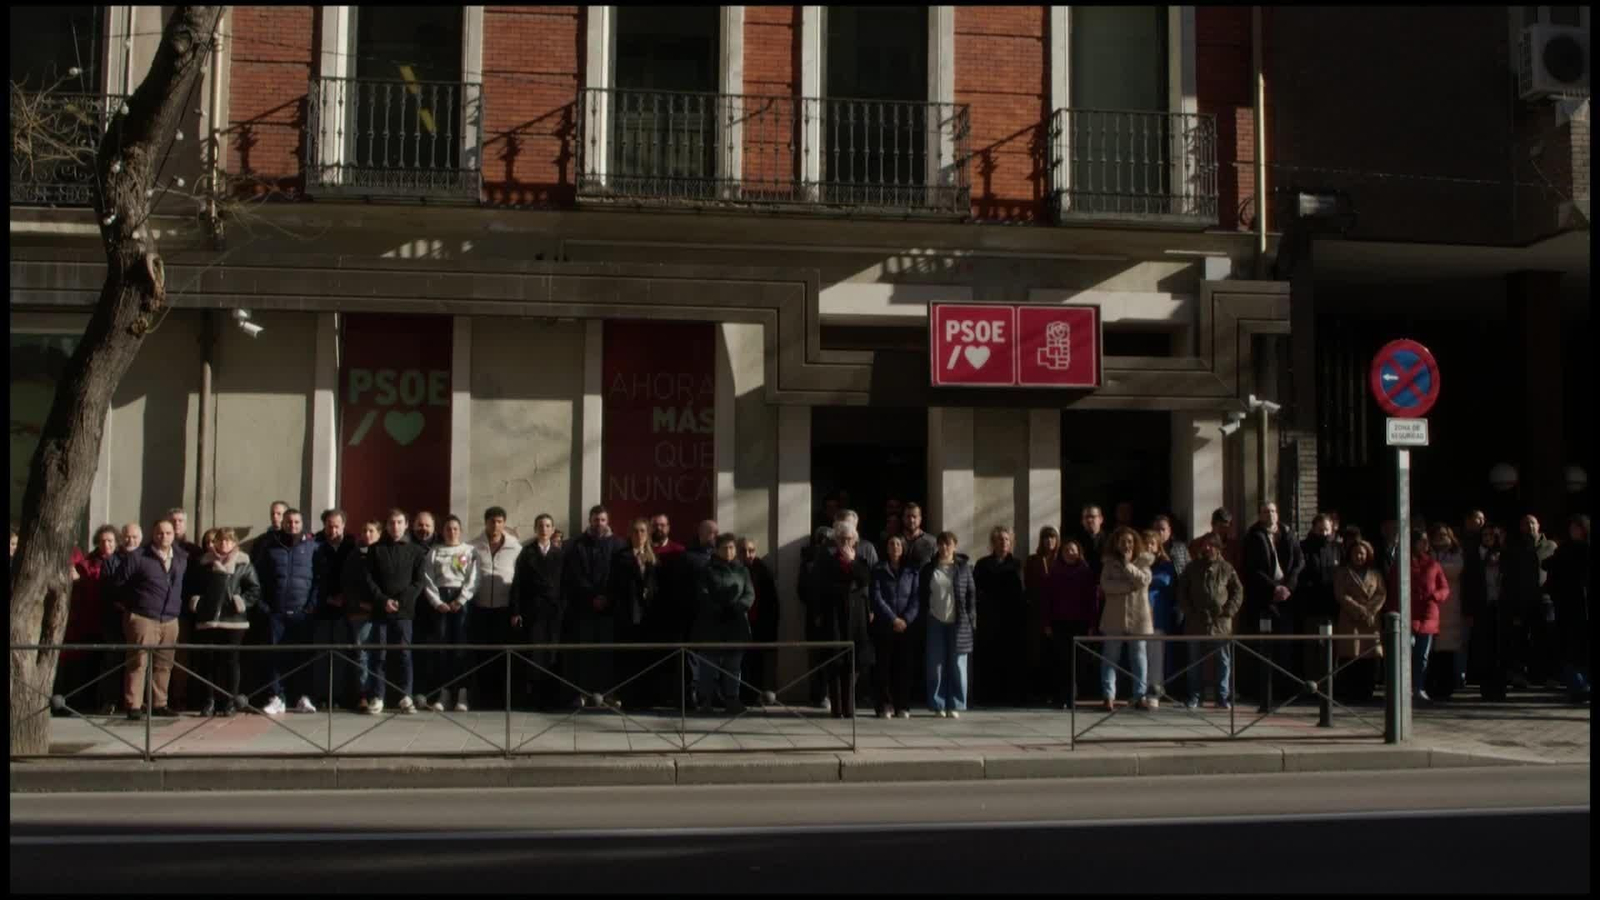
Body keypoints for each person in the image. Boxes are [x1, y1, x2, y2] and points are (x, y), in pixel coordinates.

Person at [116, 517, 188, 719]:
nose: (164, 536)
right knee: (138, 662)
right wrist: (132, 605)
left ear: (174, 535)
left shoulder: (181, 557)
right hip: (143, 617)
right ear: (153, 534)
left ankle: (159, 703)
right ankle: (134, 705)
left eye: (168, 533)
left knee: (164, 663)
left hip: (170, 619)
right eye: (160, 533)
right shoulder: (138, 556)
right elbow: (119, 583)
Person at [187, 528, 261, 717]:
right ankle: (209, 701)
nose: (224, 544)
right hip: (209, 620)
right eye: (221, 540)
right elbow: (192, 586)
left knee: (231, 662)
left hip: (234, 621)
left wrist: (240, 602)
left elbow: (254, 589)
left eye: (228, 541)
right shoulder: (204, 563)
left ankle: (230, 701)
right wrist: (197, 603)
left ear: (235, 543)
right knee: (208, 662)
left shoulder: (244, 563)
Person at [362, 509, 429, 715]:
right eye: (392, 523)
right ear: (387, 525)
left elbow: (418, 582)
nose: (395, 527)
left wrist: (400, 602)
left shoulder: (416, 551)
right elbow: (369, 580)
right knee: (379, 654)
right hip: (381, 611)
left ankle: (405, 696)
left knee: (404, 654)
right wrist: (383, 601)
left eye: (399, 522)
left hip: (404, 612)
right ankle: (378, 697)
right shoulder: (375, 550)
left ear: (406, 524)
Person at [255, 508, 320, 716]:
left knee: (303, 656)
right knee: (275, 657)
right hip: (276, 613)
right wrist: (265, 608)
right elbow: (258, 580)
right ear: (283, 523)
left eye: (296, 522)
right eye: (289, 522)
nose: (292, 526)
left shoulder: (313, 548)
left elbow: (319, 580)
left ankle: (303, 697)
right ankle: (277, 697)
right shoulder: (270, 548)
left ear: (302, 524)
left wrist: (311, 607)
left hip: (303, 614)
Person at [1241, 502, 1305, 709]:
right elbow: (1252, 568)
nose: (1270, 514)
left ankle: (1283, 689)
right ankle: (1262, 691)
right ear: (1260, 515)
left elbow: (1299, 562)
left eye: (1273, 511)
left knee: (1285, 646)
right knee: (1264, 645)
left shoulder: (1288, 534)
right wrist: (1274, 589)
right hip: (1264, 599)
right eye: (1266, 511)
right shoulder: (1253, 536)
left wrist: (1288, 587)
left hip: (1287, 598)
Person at [562, 505, 625, 708]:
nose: (599, 524)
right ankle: (583, 693)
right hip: (584, 607)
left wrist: (607, 597)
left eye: (603, 520)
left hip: (609, 608)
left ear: (608, 522)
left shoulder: (618, 545)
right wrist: (591, 597)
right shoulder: (577, 545)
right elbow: (574, 575)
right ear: (590, 521)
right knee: (585, 652)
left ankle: (608, 693)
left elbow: (618, 576)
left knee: (608, 653)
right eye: (596, 520)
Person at [56, 525, 120, 714]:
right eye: (102, 541)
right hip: (88, 621)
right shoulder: (86, 563)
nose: (106, 545)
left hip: (113, 620)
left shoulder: (124, 560)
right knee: (86, 664)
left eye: (110, 541)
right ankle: (82, 703)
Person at [1177, 534, 1245, 708]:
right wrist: (1189, 611)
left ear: (1218, 547)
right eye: (1204, 545)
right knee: (1194, 661)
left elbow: (1238, 591)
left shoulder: (1227, 568)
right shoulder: (1192, 567)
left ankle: (1222, 696)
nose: (1207, 548)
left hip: (1220, 623)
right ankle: (1194, 696)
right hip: (1196, 621)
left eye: (1211, 545)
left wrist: (1228, 611)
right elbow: (1182, 592)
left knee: (1223, 660)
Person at [691, 533, 756, 713]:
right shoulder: (707, 570)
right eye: (725, 548)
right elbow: (702, 593)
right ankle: (705, 700)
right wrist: (716, 608)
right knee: (708, 666)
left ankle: (732, 698)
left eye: (731, 548)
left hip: (736, 624)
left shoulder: (742, 571)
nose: (728, 551)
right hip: (712, 625)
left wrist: (738, 607)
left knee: (733, 666)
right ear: (717, 550)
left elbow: (749, 594)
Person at [813, 526, 874, 718]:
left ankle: (849, 707)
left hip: (856, 617)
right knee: (835, 659)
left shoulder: (861, 560)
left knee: (853, 661)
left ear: (855, 541)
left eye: (849, 539)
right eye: (842, 539)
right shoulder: (827, 561)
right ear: (837, 542)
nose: (846, 543)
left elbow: (865, 580)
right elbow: (820, 587)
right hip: (834, 614)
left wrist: (852, 562)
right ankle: (837, 708)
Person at [422, 515, 479, 712]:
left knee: (461, 646)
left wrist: (460, 600)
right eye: (448, 528)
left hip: (461, 600)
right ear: (443, 531)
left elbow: (474, 578)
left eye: (455, 528)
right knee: (443, 647)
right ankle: (444, 694)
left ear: (460, 531)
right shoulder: (434, 551)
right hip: (441, 600)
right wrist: (437, 602)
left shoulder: (469, 551)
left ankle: (462, 694)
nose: (451, 532)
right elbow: (427, 578)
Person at [469, 506, 521, 712]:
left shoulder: (515, 548)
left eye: (499, 521)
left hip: (504, 609)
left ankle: (502, 699)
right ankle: (482, 698)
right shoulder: (473, 547)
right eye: (492, 521)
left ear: (504, 523)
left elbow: (519, 579)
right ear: (486, 523)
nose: (495, 525)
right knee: (482, 655)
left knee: (502, 654)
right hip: (480, 608)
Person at [511, 513, 565, 710]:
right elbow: (517, 584)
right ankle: (533, 698)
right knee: (534, 653)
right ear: (535, 529)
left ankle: (552, 698)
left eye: (548, 525)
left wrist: (563, 607)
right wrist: (516, 611)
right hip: (533, 611)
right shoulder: (526, 553)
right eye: (540, 526)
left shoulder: (560, 554)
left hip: (554, 611)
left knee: (552, 653)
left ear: (552, 529)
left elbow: (566, 583)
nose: (544, 529)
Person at [919, 531, 976, 719]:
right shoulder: (929, 568)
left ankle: (956, 704)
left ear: (955, 546)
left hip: (959, 622)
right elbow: (922, 593)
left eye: (948, 544)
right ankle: (938, 704)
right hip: (935, 620)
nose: (944, 548)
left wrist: (971, 618)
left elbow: (971, 594)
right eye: (941, 544)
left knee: (958, 665)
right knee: (936, 665)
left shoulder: (963, 568)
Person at [1099, 526, 1155, 711]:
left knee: (1139, 657)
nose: (1126, 545)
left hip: (1139, 617)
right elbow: (1106, 585)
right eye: (1122, 541)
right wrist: (1128, 586)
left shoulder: (1144, 562)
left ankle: (1140, 696)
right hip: (1114, 617)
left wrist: (1127, 565)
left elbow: (1143, 581)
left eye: (1130, 541)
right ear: (1116, 543)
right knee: (1110, 657)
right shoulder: (1109, 563)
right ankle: (1108, 696)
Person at [1390, 530, 1449, 703]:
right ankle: (1403, 688)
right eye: (1421, 541)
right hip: (1407, 615)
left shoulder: (1433, 564)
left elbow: (1444, 588)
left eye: (1426, 541)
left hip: (1428, 615)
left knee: (1422, 656)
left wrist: (1435, 596)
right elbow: (1393, 589)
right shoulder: (1401, 564)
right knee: (1405, 654)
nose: (1425, 544)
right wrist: (1395, 612)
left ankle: (1419, 687)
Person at [1042, 538, 1098, 709]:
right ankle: (1061, 696)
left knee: (1078, 662)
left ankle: (1074, 696)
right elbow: (1047, 599)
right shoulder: (1055, 572)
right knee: (1061, 660)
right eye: (1067, 550)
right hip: (1060, 622)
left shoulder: (1086, 572)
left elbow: (1092, 600)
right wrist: (1047, 622)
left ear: (1079, 553)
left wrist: (1092, 624)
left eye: (1073, 550)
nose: (1070, 553)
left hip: (1080, 623)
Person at [608, 517, 658, 709]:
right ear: (630, 534)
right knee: (627, 657)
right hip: (627, 613)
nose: (639, 535)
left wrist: (649, 591)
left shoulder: (653, 558)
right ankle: (627, 697)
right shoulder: (621, 557)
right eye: (635, 531)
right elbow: (613, 584)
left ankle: (644, 697)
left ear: (648, 534)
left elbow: (656, 584)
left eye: (643, 531)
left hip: (648, 615)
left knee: (645, 657)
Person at [973, 526, 1025, 707]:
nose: (1003, 543)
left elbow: (1020, 591)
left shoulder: (1017, 564)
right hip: (989, 618)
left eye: (1006, 539)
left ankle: (1009, 696)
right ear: (993, 543)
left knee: (1009, 657)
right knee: (988, 656)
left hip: (1010, 619)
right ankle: (986, 696)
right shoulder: (982, 564)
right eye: (1000, 539)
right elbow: (976, 590)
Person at [869, 534, 920, 718]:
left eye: (898, 544)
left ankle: (902, 705)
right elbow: (876, 597)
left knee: (904, 666)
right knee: (884, 666)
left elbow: (916, 598)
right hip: (885, 625)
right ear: (887, 548)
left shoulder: (912, 571)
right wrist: (893, 619)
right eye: (892, 544)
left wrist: (905, 619)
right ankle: (884, 705)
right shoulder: (878, 569)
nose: (895, 547)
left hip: (906, 626)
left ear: (903, 548)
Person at [1330, 538, 1386, 704]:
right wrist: (1359, 610)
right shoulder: (1342, 572)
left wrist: (1370, 611)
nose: (1359, 556)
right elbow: (1341, 594)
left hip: (1370, 621)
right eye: (1355, 553)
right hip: (1350, 619)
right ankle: (1349, 690)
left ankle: (1367, 690)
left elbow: (1381, 594)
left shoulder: (1375, 574)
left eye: (1362, 553)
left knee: (1370, 655)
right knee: (1351, 654)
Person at [311, 509, 355, 711]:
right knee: (321, 655)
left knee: (341, 655)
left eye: (337, 526)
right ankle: (321, 696)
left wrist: (345, 597)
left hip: (345, 608)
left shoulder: (351, 546)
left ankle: (338, 696)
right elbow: (311, 577)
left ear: (344, 525)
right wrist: (325, 598)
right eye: (329, 526)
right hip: (322, 608)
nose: (333, 530)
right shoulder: (315, 545)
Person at [1544, 515, 1590, 702]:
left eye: (1577, 528)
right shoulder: (1564, 549)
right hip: (1567, 604)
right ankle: (1576, 687)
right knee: (1569, 646)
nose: (1573, 531)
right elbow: (1548, 565)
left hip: (1583, 604)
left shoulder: (1585, 549)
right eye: (1571, 528)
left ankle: (1583, 684)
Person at [342, 520, 381, 711]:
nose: (367, 534)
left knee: (380, 654)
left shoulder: (384, 553)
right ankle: (363, 694)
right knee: (362, 654)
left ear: (379, 533)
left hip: (382, 610)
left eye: (371, 531)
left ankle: (380, 693)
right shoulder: (354, 556)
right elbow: (347, 584)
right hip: (359, 612)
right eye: (364, 530)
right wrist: (359, 604)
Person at [738, 537, 780, 707]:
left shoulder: (763, 571)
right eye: (743, 551)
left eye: (751, 550)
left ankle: (755, 695)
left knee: (757, 663)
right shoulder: (734, 569)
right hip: (738, 625)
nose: (748, 555)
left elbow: (772, 603)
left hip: (759, 625)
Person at [1428, 524, 1467, 699]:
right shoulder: (1429, 553)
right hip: (1432, 605)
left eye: (1444, 535)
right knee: (1432, 650)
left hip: (1451, 605)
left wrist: (1435, 569)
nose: (1441, 538)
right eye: (1437, 535)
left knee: (1448, 650)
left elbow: (1455, 570)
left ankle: (1447, 686)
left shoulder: (1457, 554)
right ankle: (1432, 686)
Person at [800, 525, 836, 710]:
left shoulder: (834, 559)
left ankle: (828, 693)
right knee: (817, 657)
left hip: (832, 615)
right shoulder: (808, 562)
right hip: (816, 616)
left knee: (830, 656)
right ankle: (818, 694)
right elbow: (803, 590)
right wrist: (816, 611)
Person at [1142, 529, 1179, 704]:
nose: (1149, 547)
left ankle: (1154, 694)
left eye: (1152, 544)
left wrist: (1144, 578)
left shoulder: (1166, 565)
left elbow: (1165, 581)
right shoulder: (1137, 563)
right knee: (1140, 657)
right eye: (1146, 543)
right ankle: (1140, 692)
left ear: (1158, 547)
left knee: (1156, 657)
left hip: (1158, 615)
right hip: (1139, 617)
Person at [900, 503, 938, 572]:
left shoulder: (932, 542)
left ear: (920, 519)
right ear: (903, 518)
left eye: (914, 516)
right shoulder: (895, 541)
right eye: (908, 516)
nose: (911, 520)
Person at [1074, 505, 1109, 577]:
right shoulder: (1075, 541)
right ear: (1082, 521)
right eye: (1086, 517)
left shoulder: (1110, 540)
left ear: (1101, 519)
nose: (1089, 520)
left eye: (1092, 517)